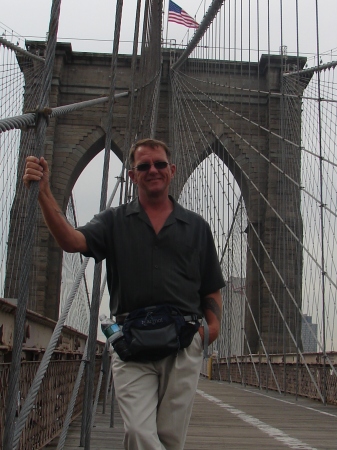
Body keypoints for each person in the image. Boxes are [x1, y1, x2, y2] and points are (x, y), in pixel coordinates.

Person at [24, 138, 225, 450]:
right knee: (140, 434)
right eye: (143, 166)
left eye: (159, 164)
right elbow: (72, 241)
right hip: (132, 341)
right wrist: (44, 193)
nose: (152, 170)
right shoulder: (112, 221)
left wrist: (208, 332)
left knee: (171, 440)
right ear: (132, 176)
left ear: (171, 170)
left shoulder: (197, 227)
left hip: (184, 342)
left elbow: (211, 286)